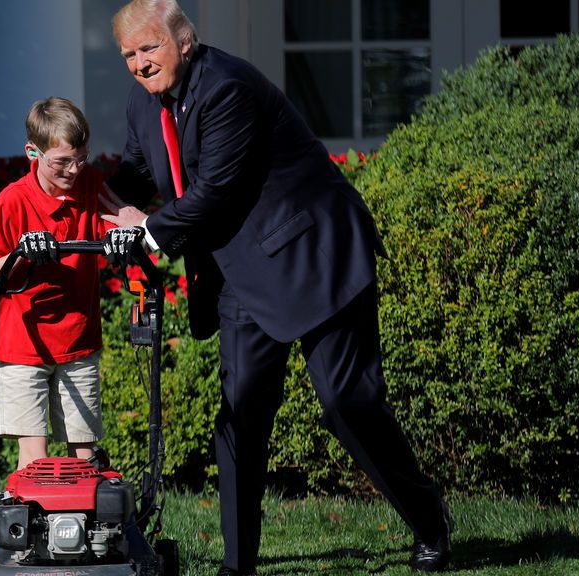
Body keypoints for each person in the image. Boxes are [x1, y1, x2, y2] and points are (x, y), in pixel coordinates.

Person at [99, 1, 453, 573]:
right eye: (129, 55)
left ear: (184, 42)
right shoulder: (146, 103)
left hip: (315, 256)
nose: (140, 63)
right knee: (241, 415)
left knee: (346, 403)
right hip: (242, 275)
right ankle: (238, 566)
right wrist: (73, 198)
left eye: (149, 48)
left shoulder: (227, 87)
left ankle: (429, 518)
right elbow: (135, 176)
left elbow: (215, 189)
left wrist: (149, 230)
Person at [0, 96, 140, 470]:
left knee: (85, 458)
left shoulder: (90, 185)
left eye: (81, 159)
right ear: (32, 153)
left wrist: (122, 238)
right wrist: (20, 252)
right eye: (62, 162)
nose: (73, 170)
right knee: (34, 463)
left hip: (78, 339)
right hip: (23, 343)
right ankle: (37, 526)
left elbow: (119, 225)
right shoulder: (14, 200)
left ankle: (83, 527)